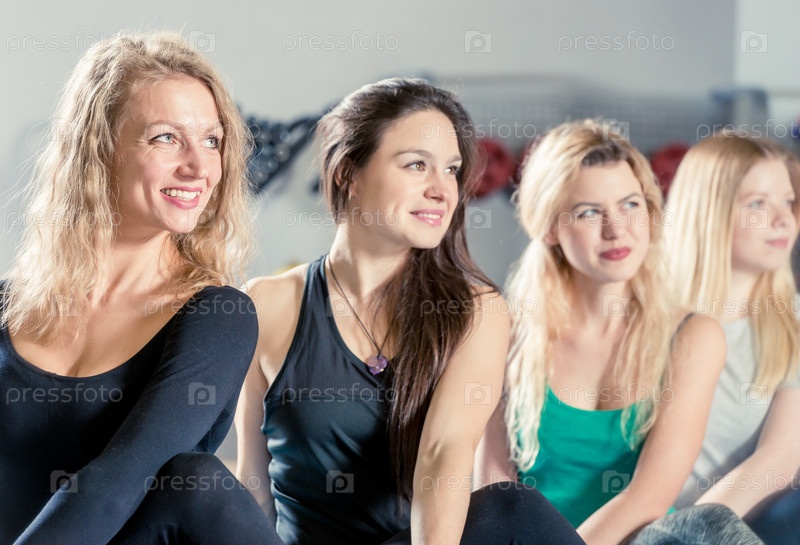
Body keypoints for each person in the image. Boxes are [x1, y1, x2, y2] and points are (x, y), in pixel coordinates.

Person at [235, 78, 585, 545]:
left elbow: (444, 455)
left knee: (512, 507)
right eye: (417, 165)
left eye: (452, 170)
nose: (443, 190)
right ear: (347, 174)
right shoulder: (267, 303)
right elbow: (253, 483)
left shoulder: (476, 311)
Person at [1, 31, 277, 545]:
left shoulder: (216, 316)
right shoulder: (6, 306)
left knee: (196, 480)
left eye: (212, 141)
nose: (199, 167)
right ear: (99, 148)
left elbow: (115, 482)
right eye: (166, 138)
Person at [473, 119, 753, 545]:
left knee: (712, 527)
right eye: (590, 212)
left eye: (630, 205)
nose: (616, 228)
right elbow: (494, 489)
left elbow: (650, 496)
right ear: (549, 227)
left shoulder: (692, 335)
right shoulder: (506, 332)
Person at [664, 131, 800, 545]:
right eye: (758, 204)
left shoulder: (793, 321)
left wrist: (678, 536)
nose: (784, 220)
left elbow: (777, 461)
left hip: (726, 528)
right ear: (711, 212)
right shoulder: (648, 314)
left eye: (788, 202)